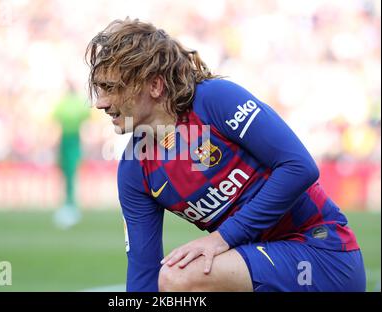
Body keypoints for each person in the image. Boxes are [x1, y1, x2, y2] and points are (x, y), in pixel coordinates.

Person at [85, 18, 366, 291]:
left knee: (180, 277)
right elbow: (143, 274)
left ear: (155, 86)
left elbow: (299, 167)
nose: (100, 103)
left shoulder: (215, 100)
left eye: (110, 88)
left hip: (323, 253)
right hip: (258, 269)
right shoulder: (135, 169)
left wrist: (221, 239)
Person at [52, 81, 91, 229]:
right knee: (69, 173)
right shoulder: (77, 103)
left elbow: (56, 120)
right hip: (70, 140)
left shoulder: (65, 103)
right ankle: (69, 203)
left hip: (71, 139)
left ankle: (71, 204)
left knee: (70, 173)